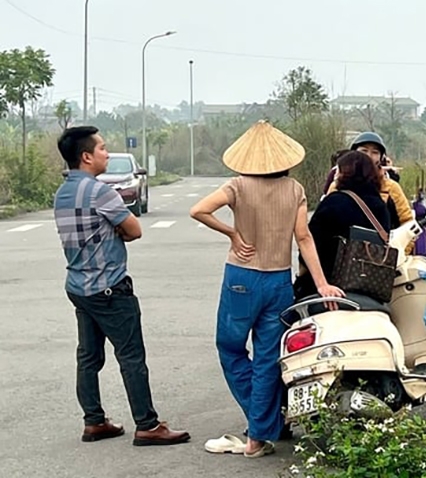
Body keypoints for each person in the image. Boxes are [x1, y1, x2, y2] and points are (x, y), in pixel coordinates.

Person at [190, 120, 344, 458]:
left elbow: (198, 210)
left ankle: (264, 424)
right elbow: (304, 238)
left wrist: (232, 234)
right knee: (266, 359)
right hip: (278, 281)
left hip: (241, 278)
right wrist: (322, 284)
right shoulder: (295, 190)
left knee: (230, 347)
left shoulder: (237, 186)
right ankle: (258, 436)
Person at [54, 126, 190, 446]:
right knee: (131, 356)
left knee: (88, 356)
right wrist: (116, 233)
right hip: (109, 287)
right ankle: (147, 425)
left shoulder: (62, 193)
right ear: (86, 157)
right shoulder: (100, 192)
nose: (106, 152)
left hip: (78, 285)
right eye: (102, 148)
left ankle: (94, 421)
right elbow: (134, 229)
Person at [294, 151, 392, 297]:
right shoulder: (381, 205)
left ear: (344, 173)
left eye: (338, 170)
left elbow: (311, 245)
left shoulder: (333, 202)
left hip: (329, 287)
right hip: (371, 288)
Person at [327, 132, 412, 230]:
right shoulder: (337, 186)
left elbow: (408, 223)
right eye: (364, 151)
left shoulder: (391, 187)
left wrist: (399, 245)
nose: (369, 156)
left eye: (375, 152)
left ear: (381, 158)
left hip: (383, 244)